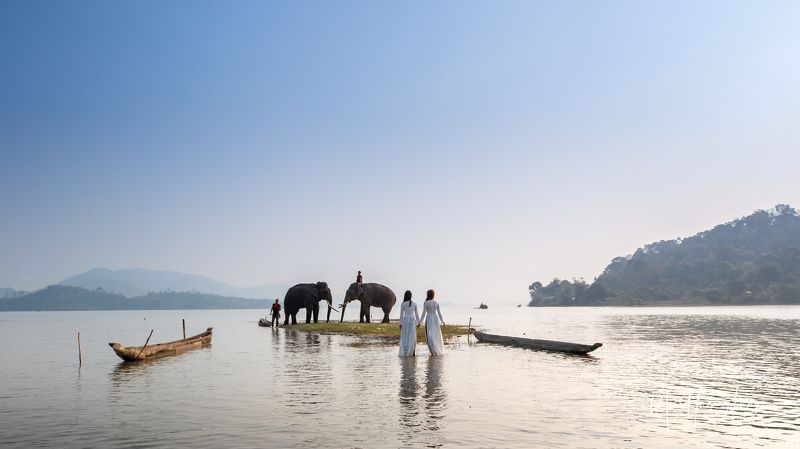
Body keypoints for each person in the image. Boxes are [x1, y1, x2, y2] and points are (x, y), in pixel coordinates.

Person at [419, 289, 445, 355]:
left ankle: (433, 351)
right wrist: (442, 321)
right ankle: (437, 350)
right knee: (436, 335)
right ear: (433, 295)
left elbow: (423, 313)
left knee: (429, 335)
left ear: (428, 295)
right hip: (436, 319)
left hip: (429, 319)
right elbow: (439, 313)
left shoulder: (426, 303)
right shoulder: (436, 302)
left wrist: (420, 322)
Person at [398, 290, 420, 357]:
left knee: (405, 337)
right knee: (412, 336)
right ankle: (412, 352)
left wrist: (400, 323)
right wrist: (418, 323)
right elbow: (417, 314)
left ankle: (405, 351)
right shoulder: (414, 303)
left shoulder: (403, 304)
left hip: (405, 321)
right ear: (411, 296)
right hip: (412, 321)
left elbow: (401, 315)